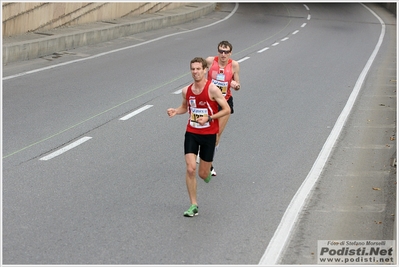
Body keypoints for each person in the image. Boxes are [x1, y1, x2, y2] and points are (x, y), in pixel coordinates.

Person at [167, 57, 230, 217]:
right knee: (190, 169)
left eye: (198, 69)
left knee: (202, 174)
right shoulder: (186, 90)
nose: (195, 72)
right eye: (192, 69)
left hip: (208, 135)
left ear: (204, 70)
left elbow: (226, 109)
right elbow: (184, 107)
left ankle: (206, 173)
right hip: (192, 133)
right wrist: (175, 111)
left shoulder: (212, 89)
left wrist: (209, 118)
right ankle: (193, 205)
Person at [205, 40, 241, 176]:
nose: (223, 54)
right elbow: (199, 71)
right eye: (221, 51)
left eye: (226, 52)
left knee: (216, 134)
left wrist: (236, 85)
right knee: (206, 132)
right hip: (210, 101)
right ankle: (208, 163)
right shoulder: (210, 61)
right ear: (217, 52)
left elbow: (238, 84)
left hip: (225, 102)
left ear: (230, 53)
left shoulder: (234, 65)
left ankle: (208, 162)